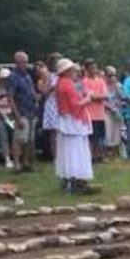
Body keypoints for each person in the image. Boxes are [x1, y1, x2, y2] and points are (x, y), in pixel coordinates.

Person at [50, 58, 94, 192]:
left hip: (66, 119)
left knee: (67, 150)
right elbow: (75, 105)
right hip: (73, 120)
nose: (74, 72)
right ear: (67, 71)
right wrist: (88, 99)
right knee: (76, 150)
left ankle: (68, 179)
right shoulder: (67, 84)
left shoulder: (59, 83)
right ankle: (76, 179)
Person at [7, 51, 37, 172]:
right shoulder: (13, 77)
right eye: (23, 62)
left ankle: (26, 162)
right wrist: (17, 116)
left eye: (26, 62)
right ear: (17, 62)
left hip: (31, 111)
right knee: (19, 139)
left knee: (29, 140)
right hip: (21, 111)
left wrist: (36, 96)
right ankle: (16, 164)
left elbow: (32, 91)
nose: (25, 64)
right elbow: (10, 97)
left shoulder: (27, 76)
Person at [79, 60, 107, 163]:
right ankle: (91, 156)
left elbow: (105, 95)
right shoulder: (84, 81)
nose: (94, 70)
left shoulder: (101, 81)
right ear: (87, 69)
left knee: (100, 136)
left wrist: (95, 96)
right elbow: (87, 95)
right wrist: (95, 96)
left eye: (95, 67)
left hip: (100, 114)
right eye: (91, 68)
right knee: (91, 137)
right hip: (89, 113)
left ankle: (99, 155)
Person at [0, 68, 16, 169]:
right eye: (3, 79)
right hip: (0, 116)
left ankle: (16, 157)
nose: (5, 81)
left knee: (14, 137)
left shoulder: (13, 89)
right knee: (3, 136)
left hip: (12, 115)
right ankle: (7, 158)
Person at [40, 53, 61, 158]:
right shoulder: (48, 75)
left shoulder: (62, 74)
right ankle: (55, 155)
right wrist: (52, 88)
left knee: (62, 130)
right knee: (54, 132)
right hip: (52, 102)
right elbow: (43, 92)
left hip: (62, 102)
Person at [102, 66, 124, 158]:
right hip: (106, 111)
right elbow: (102, 100)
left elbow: (122, 97)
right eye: (110, 75)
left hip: (117, 111)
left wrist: (116, 86)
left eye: (114, 75)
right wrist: (110, 108)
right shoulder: (102, 85)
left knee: (117, 132)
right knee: (108, 131)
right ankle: (106, 153)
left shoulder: (118, 85)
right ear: (105, 75)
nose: (112, 77)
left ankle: (116, 153)